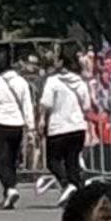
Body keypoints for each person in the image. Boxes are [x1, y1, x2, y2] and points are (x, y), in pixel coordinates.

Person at [0, 58, 35, 211]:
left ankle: (10, 188)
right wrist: (30, 126)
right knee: (12, 159)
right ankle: (8, 193)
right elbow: (27, 105)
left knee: (0, 160)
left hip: (0, 124)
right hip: (17, 125)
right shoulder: (22, 82)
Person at [35, 59, 92, 192]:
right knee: (72, 161)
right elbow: (86, 105)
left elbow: (46, 103)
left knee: (53, 161)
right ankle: (74, 188)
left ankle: (66, 183)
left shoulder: (52, 81)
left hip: (58, 127)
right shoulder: (80, 82)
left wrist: (41, 120)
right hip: (77, 126)